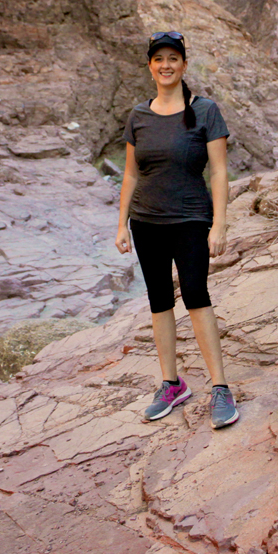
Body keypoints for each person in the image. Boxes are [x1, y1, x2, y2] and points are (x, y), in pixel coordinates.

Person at [115, 31, 239, 429]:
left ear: (184, 65)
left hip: (191, 218)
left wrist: (220, 223)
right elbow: (131, 174)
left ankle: (220, 387)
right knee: (158, 300)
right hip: (146, 221)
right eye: (158, 59)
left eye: (173, 58)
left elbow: (219, 171)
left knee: (196, 293)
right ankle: (172, 383)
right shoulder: (139, 116)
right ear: (149, 66)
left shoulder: (204, 111)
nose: (165, 65)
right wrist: (121, 224)